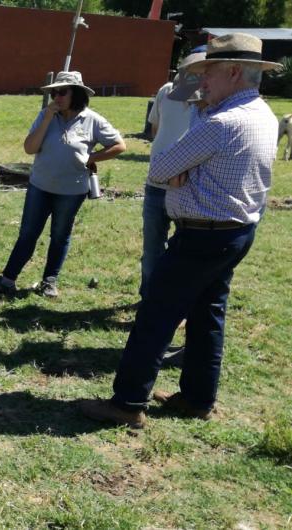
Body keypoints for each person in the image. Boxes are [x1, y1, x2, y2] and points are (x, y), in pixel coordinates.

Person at [81, 33, 279, 428]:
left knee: (157, 315)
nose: (201, 82)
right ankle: (197, 398)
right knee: (208, 315)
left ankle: (127, 403)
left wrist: (183, 175)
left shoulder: (222, 121)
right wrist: (185, 172)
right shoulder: (264, 115)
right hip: (235, 233)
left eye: (209, 73)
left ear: (235, 72)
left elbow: (158, 170)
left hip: (201, 235)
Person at [0, 71, 126, 298]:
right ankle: (7, 280)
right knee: (28, 233)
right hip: (40, 186)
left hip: (71, 190)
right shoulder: (45, 115)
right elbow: (29, 148)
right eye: (53, 92)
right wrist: (47, 118)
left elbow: (119, 145)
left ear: (75, 94)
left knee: (60, 235)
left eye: (62, 92)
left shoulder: (92, 120)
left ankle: (49, 282)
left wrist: (91, 158)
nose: (56, 97)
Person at [142, 52, 205, 369]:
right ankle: (148, 301)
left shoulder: (210, 102)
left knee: (181, 252)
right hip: (158, 181)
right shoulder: (166, 91)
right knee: (152, 245)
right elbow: (155, 131)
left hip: (186, 186)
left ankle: (174, 309)